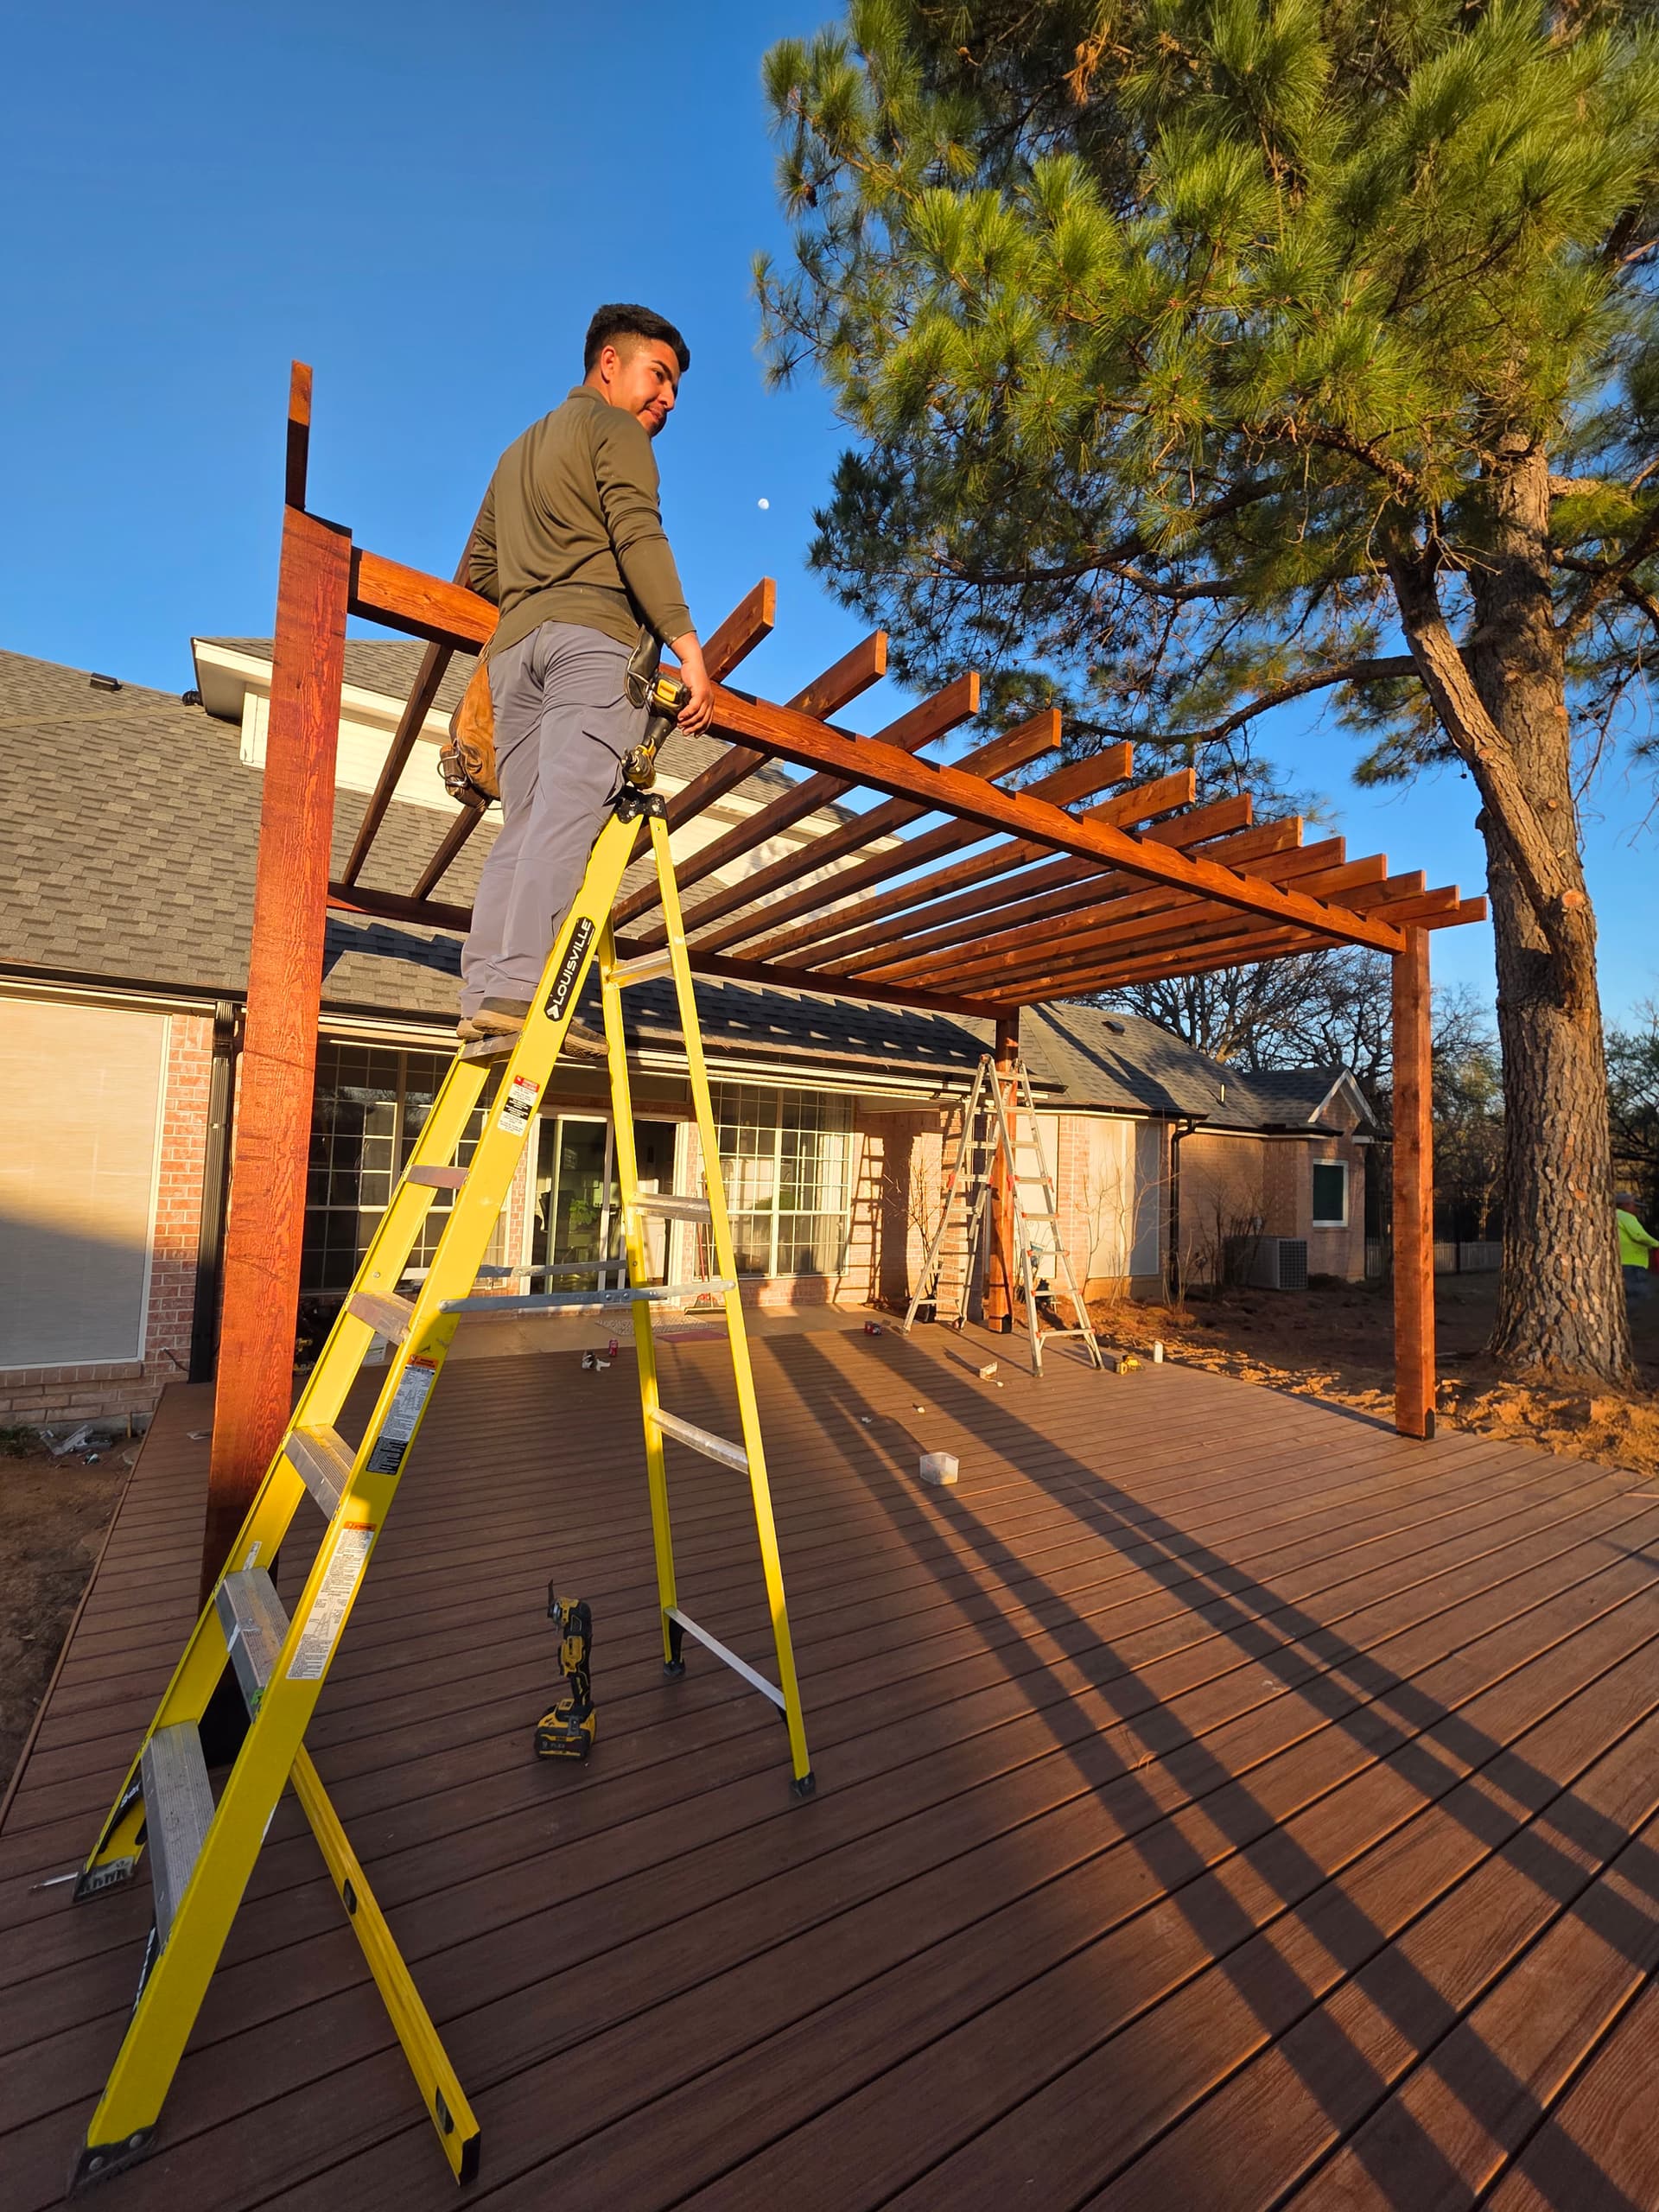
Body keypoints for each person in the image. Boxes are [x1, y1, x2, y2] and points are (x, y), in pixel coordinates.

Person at [457, 302, 714, 1043]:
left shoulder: (515, 454)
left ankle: (486, 993)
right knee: (566, 815)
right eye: (658, 376)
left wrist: (537, 587)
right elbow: (638, 532)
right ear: (609, 362)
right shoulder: (616, 431)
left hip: (515, 655)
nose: (668, 399)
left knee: (523, 822)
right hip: (592, 646)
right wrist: (689, 650)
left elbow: (479, 570)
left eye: (674, 387)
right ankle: (519, 993)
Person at [1617, 1190, 1658, 1303]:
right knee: (1641, 1299)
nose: (1637, 1210)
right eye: (1635, 1206)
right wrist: (1656, 1244)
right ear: (1625, 1205)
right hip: (1633, 1264)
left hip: (1621, 1262)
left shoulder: (1611, 1216)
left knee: (1627, 1297)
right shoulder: (1626, 1217)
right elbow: (1639, 1236)